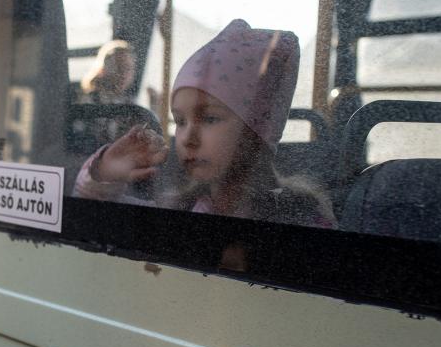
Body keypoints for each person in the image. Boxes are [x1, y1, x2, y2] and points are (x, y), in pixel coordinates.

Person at [73, 20, 335, 228]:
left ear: (257, 130)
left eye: (209, 118)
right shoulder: (179, 210)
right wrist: (103, 173)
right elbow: (94, 218)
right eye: (181, 121)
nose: (187, 138)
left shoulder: (302, 221)